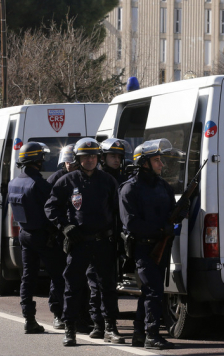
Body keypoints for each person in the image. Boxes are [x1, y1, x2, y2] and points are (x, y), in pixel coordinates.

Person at [45, 138, 122, 347]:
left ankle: (110, 327)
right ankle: (69, 328)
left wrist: (119, 240)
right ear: (78, 159)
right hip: (78, 242)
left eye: (94, 156)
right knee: (73, 286)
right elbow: (51, 208)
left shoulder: (108, 181)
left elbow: (118, 212)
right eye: (86, 156)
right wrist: (64, 227)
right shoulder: (67, 181)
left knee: (107, 287)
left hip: (103, 242)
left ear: (98, 158)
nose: (90, 159)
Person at [118, 139, 186, 350]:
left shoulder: (162, 185)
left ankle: (139, 334)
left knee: (150, 292)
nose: (161, 165)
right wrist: (159, 229)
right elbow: (131, 223)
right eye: (157, 160)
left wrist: (182, 209)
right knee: (153, 291)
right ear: (144, 163)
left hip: (161, 246)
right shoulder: (129, 189)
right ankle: (152, 335)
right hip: (144, 247)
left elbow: (173, 211)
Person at [8, 142, 66, 334]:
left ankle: (29, 319)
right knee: (59, 276)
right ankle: (66, 317)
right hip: (44, 236)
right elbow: (52, 210)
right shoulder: (39, 184)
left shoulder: (13, 183)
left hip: (24, 235)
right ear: (37, 161)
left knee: (28, 278)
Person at [85, 138, 133, 340]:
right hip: (96, 240)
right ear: (103, 158)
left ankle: (109, 324)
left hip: (117, 240)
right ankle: (98, 324)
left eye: (119, 156)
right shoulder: (95, 180)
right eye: (112, 156)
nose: (116, 159)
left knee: (110, 285)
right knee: (96, 284)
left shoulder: (124, 180)